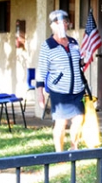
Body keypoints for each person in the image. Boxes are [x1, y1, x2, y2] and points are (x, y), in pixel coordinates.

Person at [36, 10, 86, 152]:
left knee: (79, 119)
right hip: (60, 90)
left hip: (77, 89)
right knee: (61, 122)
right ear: (52, 26)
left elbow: (77, 62)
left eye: (64, 22)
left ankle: (73, 147)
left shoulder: (72, 42)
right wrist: (40, 93)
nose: (61, 26)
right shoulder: (48, 45)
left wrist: (83, 61)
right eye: (57, 23)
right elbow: (42, 70)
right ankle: (59, 153)